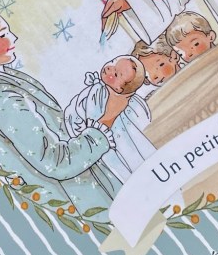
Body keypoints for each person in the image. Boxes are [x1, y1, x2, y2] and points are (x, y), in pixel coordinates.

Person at [0, 5, 130, 213]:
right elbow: (56, 162)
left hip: (86, 188)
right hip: (78, 199)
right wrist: (107, 119)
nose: (13, 38)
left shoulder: (5, 82)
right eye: (3, 35)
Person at [65, 56, 153, 185]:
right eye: (113, 62)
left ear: (118, 89)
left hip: (106, 134)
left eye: (116, 74)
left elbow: (91, 113)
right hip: (94, 133)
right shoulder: (99, 89)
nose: (109, 68)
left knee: (126, 156)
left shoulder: (101, 93)